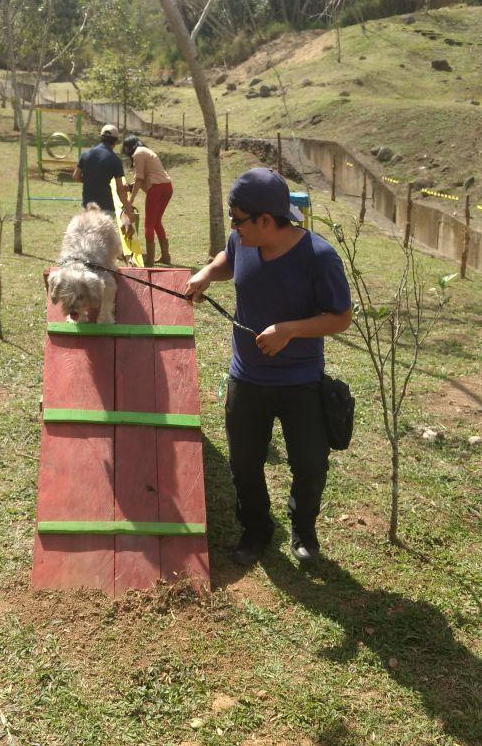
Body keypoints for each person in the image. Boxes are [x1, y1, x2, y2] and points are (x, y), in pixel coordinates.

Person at [185, 168, 352, 566]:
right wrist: (208, 273)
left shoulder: (319, 257)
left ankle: (303, 531)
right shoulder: (244, 239)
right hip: (247, 377)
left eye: (238, 219)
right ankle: (257, 529)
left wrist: (290, 331)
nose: (233, 227)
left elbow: (341, 318)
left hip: (301, 381)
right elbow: (230, 256)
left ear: (266, 220)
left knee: (309, 463)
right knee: (244, 462)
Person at [122, 135, 173, 264]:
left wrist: (131, 200)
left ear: (129, 147)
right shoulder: (146, 151)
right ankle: (165, 256)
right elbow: (145, 177)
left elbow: (139, 178)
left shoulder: (138, 153)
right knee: (156, 222)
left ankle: (149, 260)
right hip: (167, 187)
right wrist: (130, 187)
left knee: (148, 225)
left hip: (157, 189)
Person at [74, 125, 134, 228]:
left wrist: (89, 179)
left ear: (101, 137)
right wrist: (128, 208)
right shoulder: (115, 160)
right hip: (106, 208)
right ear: (115, 142)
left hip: (87, 206)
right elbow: (120, 189)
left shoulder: (86, 154)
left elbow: (76, 176)